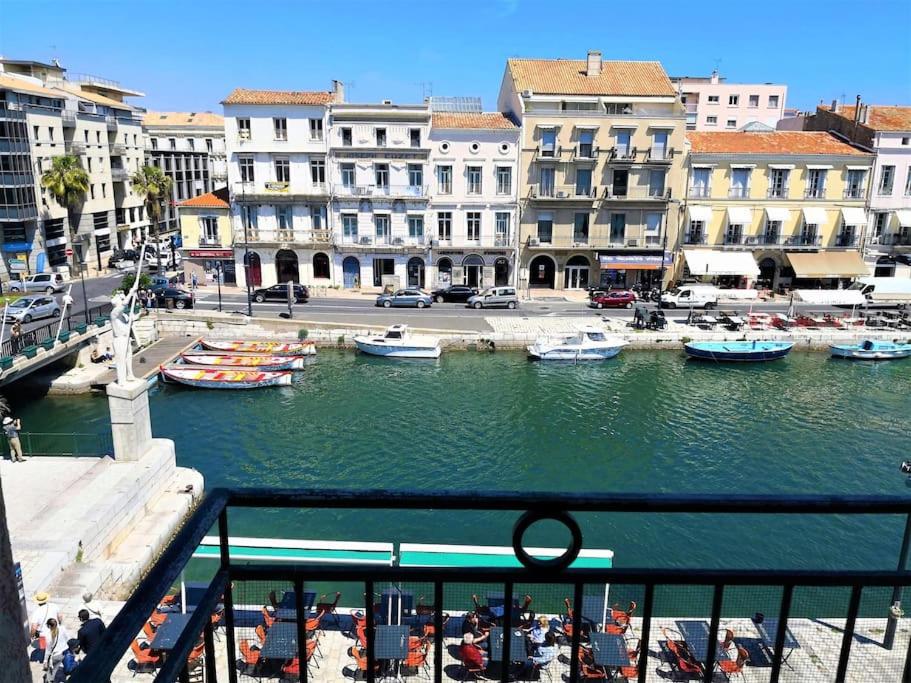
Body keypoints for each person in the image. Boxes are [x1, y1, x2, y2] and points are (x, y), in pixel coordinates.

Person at [43, 618, 70, 682]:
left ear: (49, 626)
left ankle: (51, 680)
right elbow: (68, 639)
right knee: (63, 669)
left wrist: (45, 661)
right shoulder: (63, 628)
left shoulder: (48, 636)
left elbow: (48, 650)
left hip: (56, 656)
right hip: (65, 653)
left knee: (53, 671)